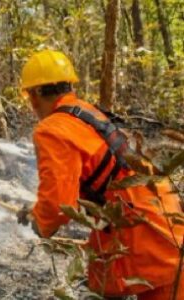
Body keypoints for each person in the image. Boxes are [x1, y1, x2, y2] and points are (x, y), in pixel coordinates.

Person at [17, 50, 184, 299]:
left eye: (31, 95)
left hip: (136, 220)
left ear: (36, 94)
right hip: (157, 204)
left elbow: (58, 204)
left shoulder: (51, 129)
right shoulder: (84, 111)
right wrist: (36, 208)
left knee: (121, 282)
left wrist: (41, 223)